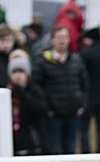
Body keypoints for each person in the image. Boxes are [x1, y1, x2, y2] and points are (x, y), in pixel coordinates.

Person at [7, 53, 54, 162]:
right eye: (15, 72)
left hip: (32, 144)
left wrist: (23, 94)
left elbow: (40, 110)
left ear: (27, 74)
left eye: (21, 72)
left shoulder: (34, 90)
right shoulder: (7, 93)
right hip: (15, 143)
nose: (18, 76)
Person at [31, 25, 88, 155]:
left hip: (73, 112)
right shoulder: (43, 61)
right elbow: (36, 86)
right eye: (59, 37)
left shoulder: (76, 59)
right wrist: (47, 108)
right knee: (53, 149)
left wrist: (82, 105)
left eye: (65, 37)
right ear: (52, 40)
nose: (62, 41)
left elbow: (84, 84)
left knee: (71, 149)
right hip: (53, 114)